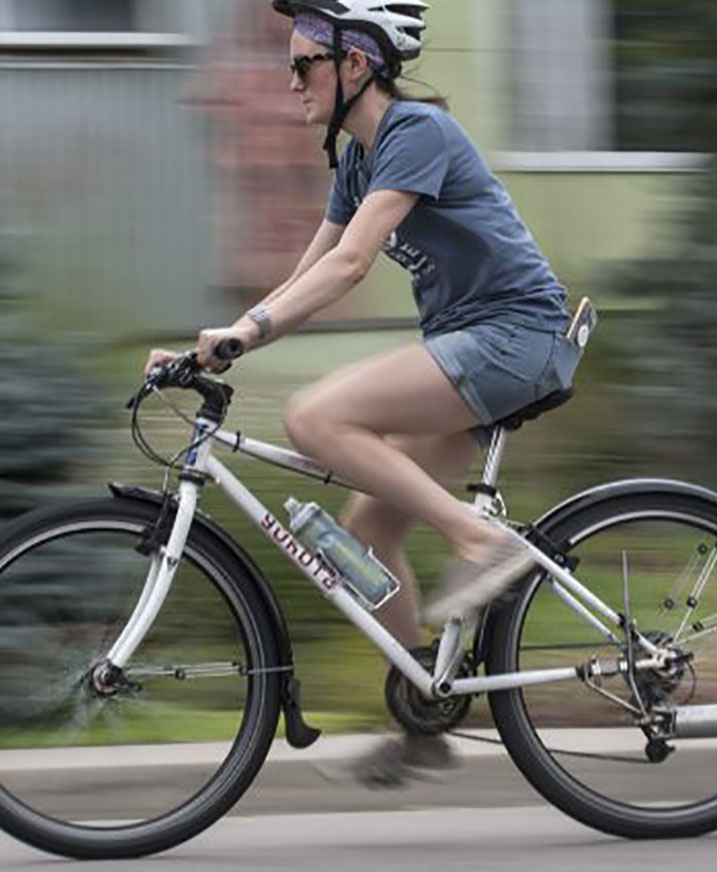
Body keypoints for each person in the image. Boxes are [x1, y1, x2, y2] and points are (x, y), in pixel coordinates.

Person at [148, 0, 580, 786]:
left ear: (355, 66)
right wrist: (218, 342)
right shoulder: (357, 159)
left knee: (314, 413)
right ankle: (426, 709)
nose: (289, 82)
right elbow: (310, 273)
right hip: (471, 346)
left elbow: (351, 267)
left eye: (301, 64)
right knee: (362, 538)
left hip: (514, 336)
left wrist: (247, 333)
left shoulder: (417, 133)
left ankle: (484, 543)